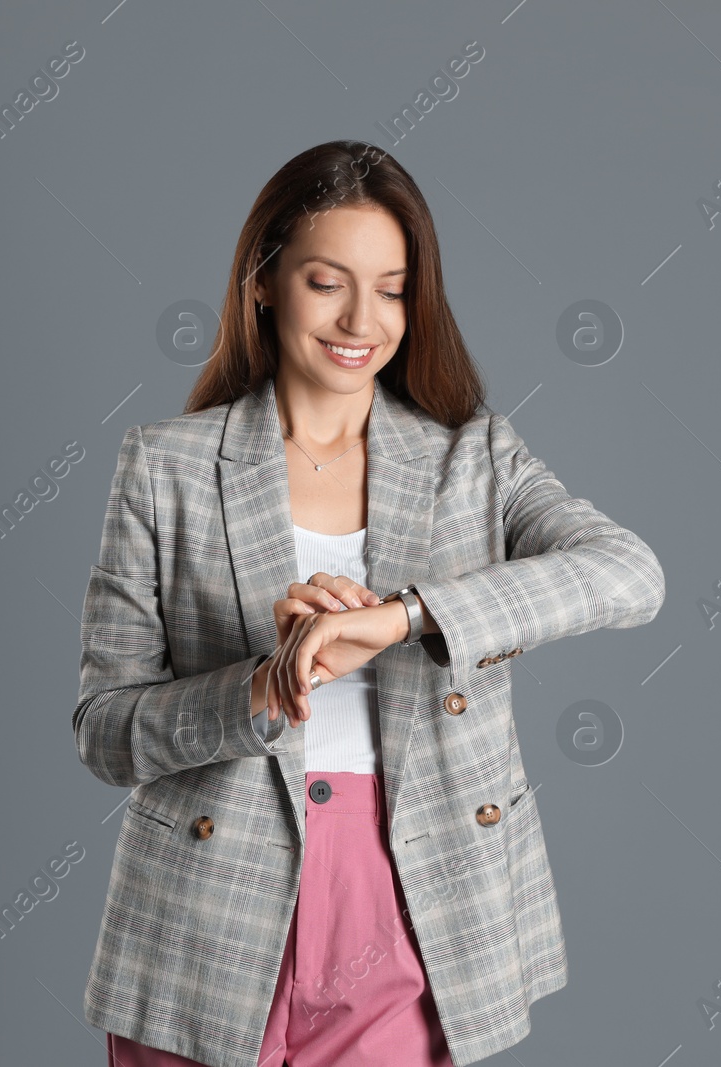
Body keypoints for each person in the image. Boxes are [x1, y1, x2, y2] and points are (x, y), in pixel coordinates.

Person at [73, 140, 666, 1067]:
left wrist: (402, 618)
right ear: (263, 282)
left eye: (391, 288)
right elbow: (105, 731)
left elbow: (630, 573)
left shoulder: (473, 459)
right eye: (327, 281)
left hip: (414, 895)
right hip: (205, 914)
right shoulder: (166, 467)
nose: (362, 318)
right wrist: (266, 688)